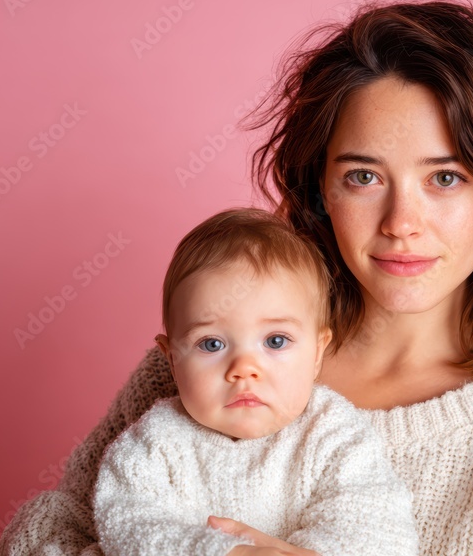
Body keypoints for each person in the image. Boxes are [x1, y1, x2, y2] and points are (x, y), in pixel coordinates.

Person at [0, 0, 473, 555]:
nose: (402, 221)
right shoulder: (220, 354)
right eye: (364, 176)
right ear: (321, 190)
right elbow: (40, 540)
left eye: (446, 177)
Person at [92, 208, 419, 556]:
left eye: (275, 341)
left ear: (317, 353)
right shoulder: (154, 443)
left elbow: (378, 529)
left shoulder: (333, 434)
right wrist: (218, 552)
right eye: (211, 344)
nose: (244, 369)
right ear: (172, 360)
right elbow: (126, 524)